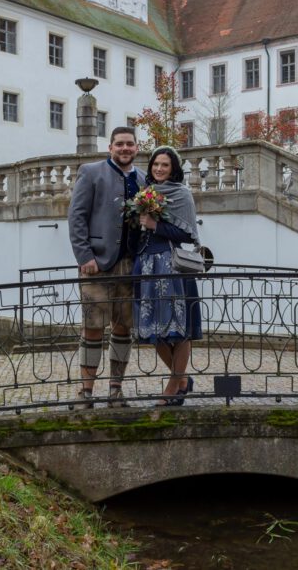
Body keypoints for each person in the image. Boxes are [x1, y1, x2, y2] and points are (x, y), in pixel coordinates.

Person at [68, 126, 144, 408]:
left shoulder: (143, 179)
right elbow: (76, 216)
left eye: (130, 144)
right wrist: (83, 255)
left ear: (137, 148)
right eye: (120, 144)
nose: (125, 149)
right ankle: (85, 392)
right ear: (110, 147)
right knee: (92, 328)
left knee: (124, 327)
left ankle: (116, 389)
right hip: (96, 265)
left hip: (130, 265)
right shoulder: (91, 172)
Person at [133, 146, 202, 406]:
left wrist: (155, 226)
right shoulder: (145, 193)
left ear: (173, 168)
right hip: (146, 264)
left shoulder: (181, 194)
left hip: (171, 266)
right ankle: (183, 380)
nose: (159, 169)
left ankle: (174, 385)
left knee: (178, 328)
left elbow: (187, 235)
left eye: (164, 165)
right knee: (150, 328)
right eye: (155, 164)